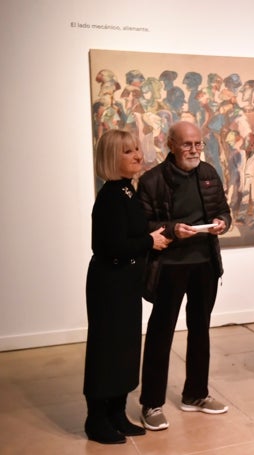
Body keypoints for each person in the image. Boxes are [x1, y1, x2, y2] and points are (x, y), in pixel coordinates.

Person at [138, 120, 232, 430]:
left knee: (201, 328)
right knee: (160, 332)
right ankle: (151, 404)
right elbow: (144, 224)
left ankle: (196, 394)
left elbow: (224, 210)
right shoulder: (152, 180)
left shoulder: (208, 173)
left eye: (198, 144)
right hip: (169, 266)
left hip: (204, 262)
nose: (193, 150)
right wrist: (173, 229)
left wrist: (221, 222)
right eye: (186, 144)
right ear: (170, 144)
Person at [84, 129, 170, 444]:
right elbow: (113, 246)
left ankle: (117, 412)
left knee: (126, 348)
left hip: (125, 282)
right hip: (110, 284)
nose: (137, 155)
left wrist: (155, 233)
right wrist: (150, 240)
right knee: (106, 350)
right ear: (110, 158)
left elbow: (131, 233)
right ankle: (96, 419)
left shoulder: (127, 192)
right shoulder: (109, 197)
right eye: (127, 151)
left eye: (136, 149)